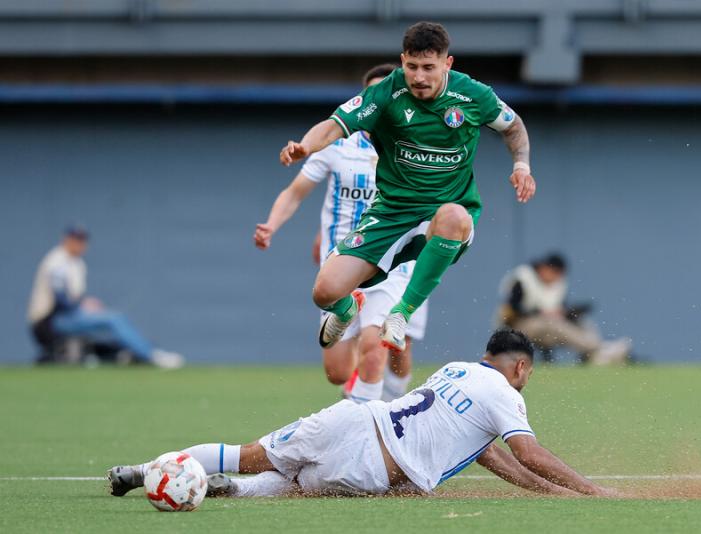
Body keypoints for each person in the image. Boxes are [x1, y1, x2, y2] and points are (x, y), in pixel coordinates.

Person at [108, 329, 619, 499]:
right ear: (521, 366)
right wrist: (589, 490)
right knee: (300, 486)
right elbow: (526, 452)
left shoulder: (456, 370)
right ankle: (235, 491)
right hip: (375, 466)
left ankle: (145, 469)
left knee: (249, 454)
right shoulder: (506, 393)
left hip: (354, 418)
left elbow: (486, 453)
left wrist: (549, 491)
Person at [277, 21, 536, 354]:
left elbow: (513, 127)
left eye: (428, 67)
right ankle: (346, 309)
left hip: (444, 214)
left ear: (447, 63)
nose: (419, 76)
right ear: (402, 61)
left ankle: (401, 313)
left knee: (455, 216)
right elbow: (334, 126)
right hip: (392, 212)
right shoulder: (386, 93)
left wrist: (521, 165)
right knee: (324, 292)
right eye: (412, 66)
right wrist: (305, 146)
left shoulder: (473, 95)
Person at [254, 64, 427, 402]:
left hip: (392, 262)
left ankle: (381, 416)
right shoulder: (339, 146)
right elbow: (295, 193)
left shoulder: (415, 147)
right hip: (343, 261)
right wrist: (271, 225)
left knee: (382, 348)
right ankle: (367, 396)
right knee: (338, 371)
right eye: (374, 94)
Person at [27, 225, 184, 368]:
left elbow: (72, 298)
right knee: (113, 319)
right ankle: (151, 355)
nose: (80, 244)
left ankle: (127, 353)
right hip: (48, 323)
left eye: (82, 240)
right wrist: (81, 306)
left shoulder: (76, 262)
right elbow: (60, 300)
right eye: (76, 239)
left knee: (110, 321)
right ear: (66, 239)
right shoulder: (57, 261)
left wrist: (84, 303)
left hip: (63, 317)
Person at [497, 253, 631, 365]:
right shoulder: (524, 277)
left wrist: (570, 312)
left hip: (547, 328)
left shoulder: (558, 283)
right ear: (544, 268)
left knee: (582, 322)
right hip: (517, 327)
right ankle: (600, 349)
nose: (556, 277)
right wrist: (541, 313)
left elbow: (560, 308)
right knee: (554, 324)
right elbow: (512, 309)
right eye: (554, 273)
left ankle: (595, 354)